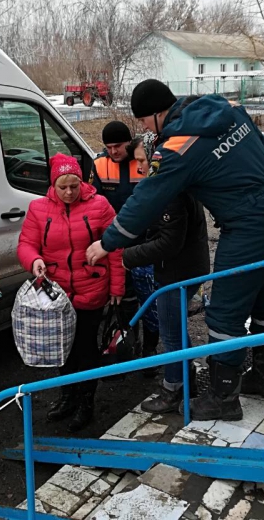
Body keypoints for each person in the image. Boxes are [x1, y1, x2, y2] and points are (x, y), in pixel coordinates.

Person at [86, 79, 264, 422]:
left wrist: (108, 242)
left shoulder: (179, 146)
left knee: (224, 315)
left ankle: (223, 397)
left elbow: (147, 198)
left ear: (157, 113)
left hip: (248, 227)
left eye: (142, 121)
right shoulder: (225, 108)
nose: (143, 128)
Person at [17, 153, 125, 432]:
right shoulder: (38, 209)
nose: (68, 192)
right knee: (62, 350)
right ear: (53, 185)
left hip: (91, 290)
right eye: (62, 187)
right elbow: (26, 244)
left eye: (74, 186)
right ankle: (68, 396)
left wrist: (117, 287)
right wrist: (34, 260)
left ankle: (86, 401)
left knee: (86, 349)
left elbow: (115, 247)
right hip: (57, 295)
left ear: (81, 182)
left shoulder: (100, 205)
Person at [122, 137, 210, 413]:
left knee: (170, 334)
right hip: (186, 266)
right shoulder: (177, 182)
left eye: (142, 161)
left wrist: (127, 257)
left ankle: (173, 389)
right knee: (177, 330)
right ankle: (188, 378)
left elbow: (169, 242)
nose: (139, 168)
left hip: (176, 272)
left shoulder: (170, 191)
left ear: (156, 159)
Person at [90, 120, 159, 366]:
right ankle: (127, 344)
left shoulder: (144, 162)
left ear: (128, 143)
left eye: (117, 146)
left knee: (151, 302)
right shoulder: (99, 165)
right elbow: (93, 202)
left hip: (146, 244)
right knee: (125, 299)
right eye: (108, 147)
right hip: (115, 245)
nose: (113, 152)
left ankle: (151, 349)